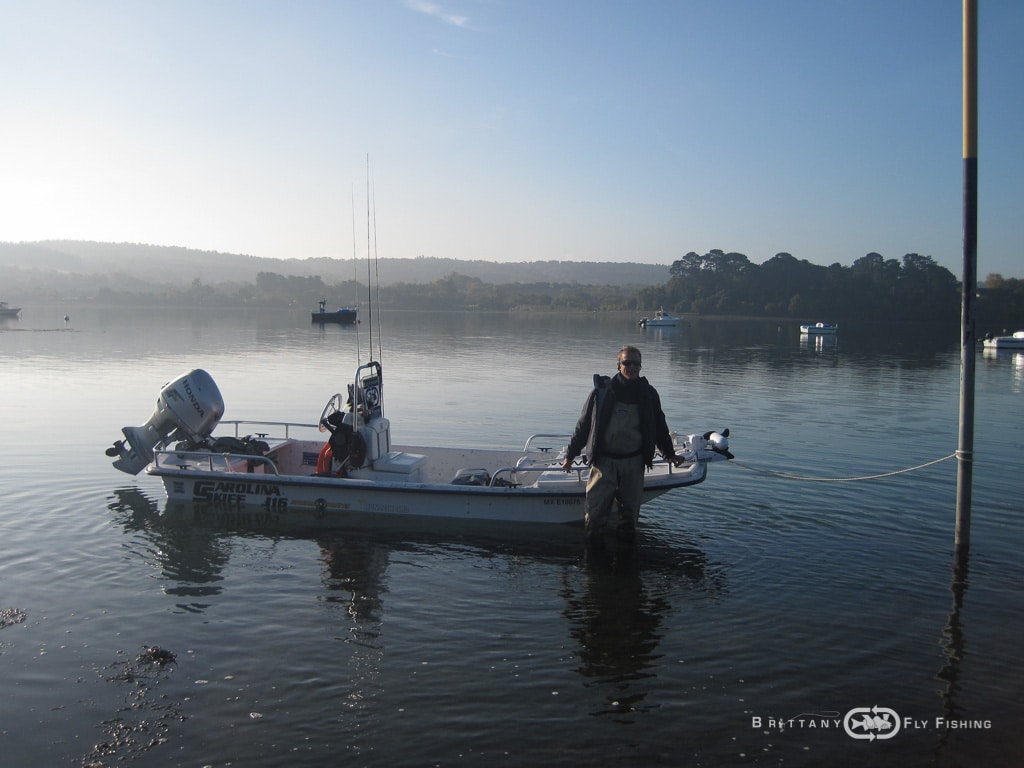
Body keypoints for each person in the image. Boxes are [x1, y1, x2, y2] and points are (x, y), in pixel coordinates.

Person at [562, 345, 683, 549]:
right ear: (619, 365)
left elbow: (659, 426)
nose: (632, 367)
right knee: (594, 519)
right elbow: (583, 427)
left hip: (633, 463)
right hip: (603, 464)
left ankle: (626, 568)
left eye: (636, 363)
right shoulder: (601, 392)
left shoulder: (649, 394)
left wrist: (669, 454)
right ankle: (594, 571)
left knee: (629, 522)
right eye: (627, 362)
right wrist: (570, 455)